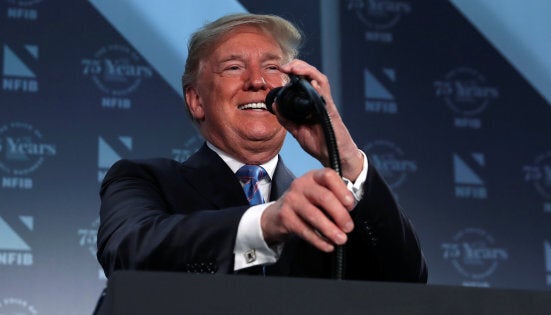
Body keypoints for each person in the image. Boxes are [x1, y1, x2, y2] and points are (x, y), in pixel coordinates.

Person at [97, 13, 427, 282]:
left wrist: (348, 159)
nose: (258, 81)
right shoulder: (145, 180)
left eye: (273, 68)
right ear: (196, 100)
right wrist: (267, 223)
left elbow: (407, 280)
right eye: (234, 67)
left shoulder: (324, 207)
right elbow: (128, 253)